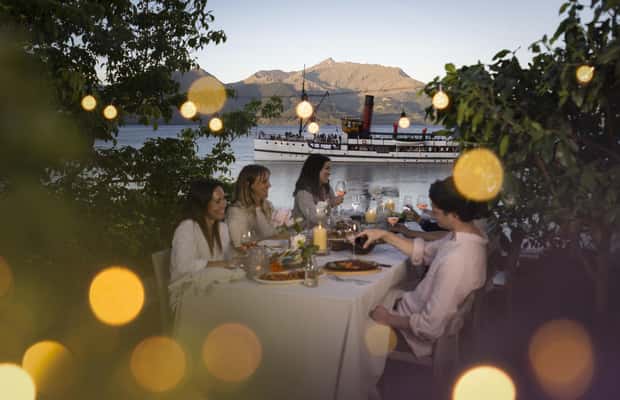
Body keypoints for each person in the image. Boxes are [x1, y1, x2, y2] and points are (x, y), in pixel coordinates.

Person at [359, 176, 488, 358]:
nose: (433, 216)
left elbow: (430, 328)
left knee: (352, 326)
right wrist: (384, 235)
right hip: (410, 308)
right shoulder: (468, 236)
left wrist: (387, 318)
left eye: (436, 212)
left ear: (454, 214)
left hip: (412, 337)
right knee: (373, 297)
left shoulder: (457, 259)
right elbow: (424, 251)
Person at [170, 179, 232, 283]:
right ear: (202, 204)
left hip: (214, 282)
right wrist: (220, 264)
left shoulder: (222, 228)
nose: (224, 204)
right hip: (187, 286)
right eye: (217, 201)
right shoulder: (187, 228)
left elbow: (227, 257)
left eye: (224, 199)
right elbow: (183, 266)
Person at [227, 164, 279, 248]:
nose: (269, 185)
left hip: (265, 253)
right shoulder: (236, 211)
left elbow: (271, 234)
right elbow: (239, 245)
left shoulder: (266, 205)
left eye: (268, 181)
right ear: (249, 185)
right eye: (264, 182)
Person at [292, 154, 344, 227]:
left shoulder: (326, 187)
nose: (329, 173)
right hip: (305, 232)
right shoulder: (303, 192)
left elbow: (330, 211)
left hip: (324, 229)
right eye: (327, 168)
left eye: (329, 169)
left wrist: (333, 203)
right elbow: (314, 217)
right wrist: (330, 203)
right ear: (315, 170)